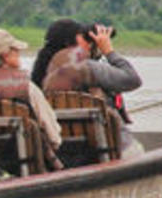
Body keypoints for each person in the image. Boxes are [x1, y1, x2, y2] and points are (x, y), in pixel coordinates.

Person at [31, 18, 143, 156]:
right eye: (84, 38)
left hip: (64, 152)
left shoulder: (42, 72)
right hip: (109, 148)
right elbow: (133, 79)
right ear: (70, 43)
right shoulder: (86, 67)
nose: (90, 44)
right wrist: (109, 52)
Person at [0, 28, 62, 168]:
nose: (19, 53)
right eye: (16, 50)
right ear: (6, 55)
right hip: (31, 160)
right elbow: (53, 134)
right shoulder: (27, 86)